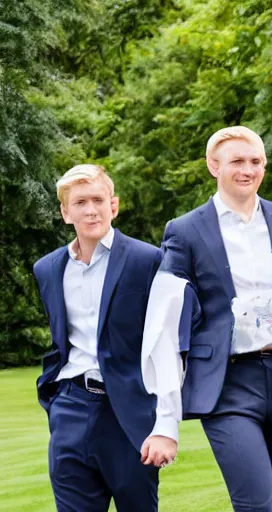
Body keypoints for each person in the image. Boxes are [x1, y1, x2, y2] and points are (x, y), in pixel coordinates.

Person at [157, 126, 272, 512]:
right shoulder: (184, 230)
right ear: (214, 166)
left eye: (256, 161)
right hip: (226, 383)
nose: (248, 170)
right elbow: (169, 314)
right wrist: (165, 409)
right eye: (237, 161)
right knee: (258, 506)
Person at [32, 165, 178, 512]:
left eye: (98, 199)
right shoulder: (48, 269)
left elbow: (168, 343)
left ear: (113, 205)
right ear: (66, 212)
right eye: (80, 202)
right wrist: (54, 400)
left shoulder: (148, 260)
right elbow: (60, 341)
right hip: (69, 407)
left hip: (127, 413)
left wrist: (165, 423)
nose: (90, 209)